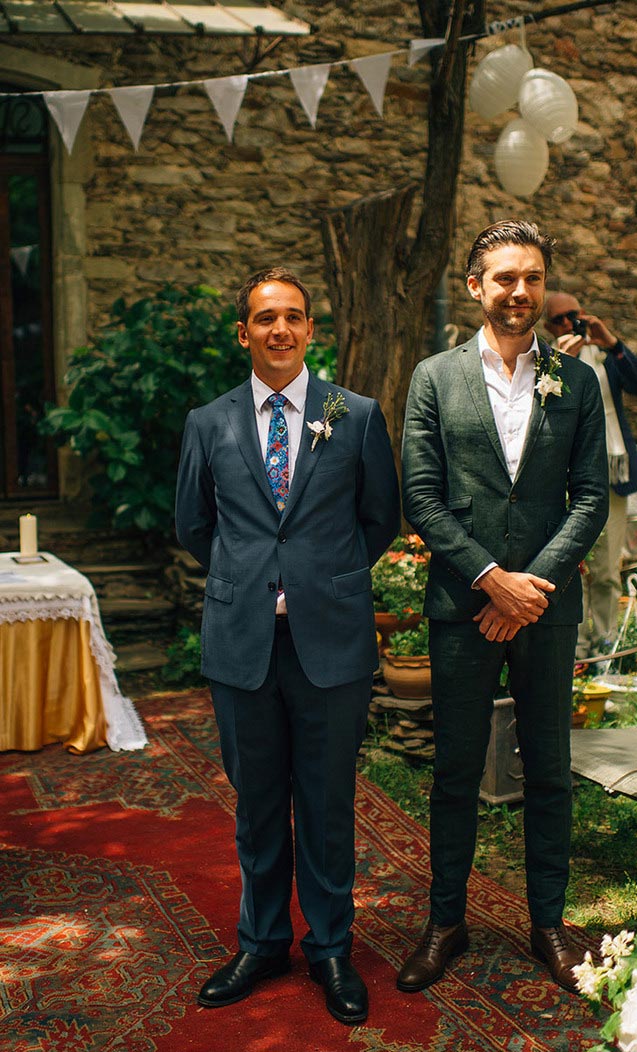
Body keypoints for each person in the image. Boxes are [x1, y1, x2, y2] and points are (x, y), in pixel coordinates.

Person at [175, 266, 400, 1024]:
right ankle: (263, 940)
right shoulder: (209, 422)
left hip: (329, 641)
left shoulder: (355, 415)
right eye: (266, 318)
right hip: (242, 642)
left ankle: (331, 946)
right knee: (258, 803)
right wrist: (253, 579)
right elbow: (193, 525)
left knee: (329, 802)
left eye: (294, 318)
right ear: (244, 332)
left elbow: (380, 518)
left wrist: (319, 581)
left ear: (310, 331)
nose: (280, 330)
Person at [399, 220, 609, 995]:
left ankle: (548, 923)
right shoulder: (434, 377)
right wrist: (492, 579)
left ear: (542, 284)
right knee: (454, 769)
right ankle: (445, 922)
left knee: (549, 771)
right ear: (475, 287)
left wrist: (529, 590)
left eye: (531, 277)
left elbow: (588, 500)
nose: (519, 291)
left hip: (545, 609)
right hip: (465, 604)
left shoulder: (575, 381)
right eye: (504, 278)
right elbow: (420, 496)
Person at [543, 293, 637, 658]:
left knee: (607, 569)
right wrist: (561, 364)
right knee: (573, 567)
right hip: (566, 482)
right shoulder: (547, 361)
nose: (568, 323)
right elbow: (541, 411)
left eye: (574, 315)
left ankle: (604, 650)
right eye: (560, 319)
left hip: (612, 473)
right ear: (548, 326)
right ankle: (574, 651)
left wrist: (611, 340)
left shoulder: (606, 357)